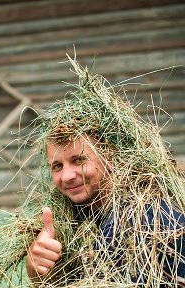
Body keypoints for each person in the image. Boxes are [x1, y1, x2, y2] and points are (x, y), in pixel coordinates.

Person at [25, 59, 185, 287]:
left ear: (109, 157)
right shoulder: (77, 222)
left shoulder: (146, 220)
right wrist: (37, 268)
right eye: (57, 166)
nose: (67, 176)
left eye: (79, 160)